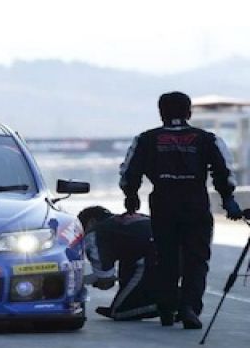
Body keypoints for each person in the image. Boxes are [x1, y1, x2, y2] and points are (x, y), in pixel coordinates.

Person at [119, 91, 243, 329]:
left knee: (165, 257)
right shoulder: (206, 139)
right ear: (189, 112)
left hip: (163, 204)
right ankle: (189, 308)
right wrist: (228, 199)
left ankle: (167, 308)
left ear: (161, 113)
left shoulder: (146, 139)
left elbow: (129, 171)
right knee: (197, 258)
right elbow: (223, 171)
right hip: (195, 203)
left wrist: (131, 195)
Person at [78, 206, 158, 321]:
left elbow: (106, 280)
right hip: (174, 253)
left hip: (151, 258)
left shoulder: (94, 233)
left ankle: (169, 303)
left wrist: (79, 281)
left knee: (121, 312)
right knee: (126, 264)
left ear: (91, 222)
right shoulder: (121, 225)